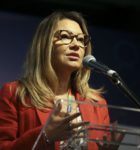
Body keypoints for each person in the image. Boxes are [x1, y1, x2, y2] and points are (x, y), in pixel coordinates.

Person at [0, 11, 123, 150]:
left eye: (81, 39)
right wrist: (44, 136)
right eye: (65, 37)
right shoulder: (15, 93)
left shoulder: (97, 104)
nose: (76, 45)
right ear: (45, 44)